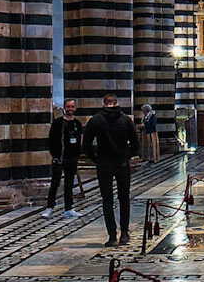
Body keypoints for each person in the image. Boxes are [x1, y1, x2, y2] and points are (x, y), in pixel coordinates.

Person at [84, 92, 140, 246]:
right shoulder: (126, 120)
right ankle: (124, 233)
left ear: (104, 103)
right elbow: (136, 144)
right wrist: (126, 156)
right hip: (122, 164)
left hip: (104, 164)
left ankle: (111, 235)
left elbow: (86, 145)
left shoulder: (95, 120)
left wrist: (96, 159)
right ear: (116, 103)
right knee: (124, 199)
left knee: (107, 200)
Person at [46, 99, 84, 216]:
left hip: (71, 158)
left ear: (75, 108)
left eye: (72, 107)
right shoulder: (58, 123)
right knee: (55, 182)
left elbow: (80, 140)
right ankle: (49, 207)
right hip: (60, 157)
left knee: (69, 183)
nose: (70, 109)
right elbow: (52, 140)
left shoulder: (77, 124)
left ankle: (69, 208)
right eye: (68, 107)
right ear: (65, 108)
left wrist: (77, 154)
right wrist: (55, 155)